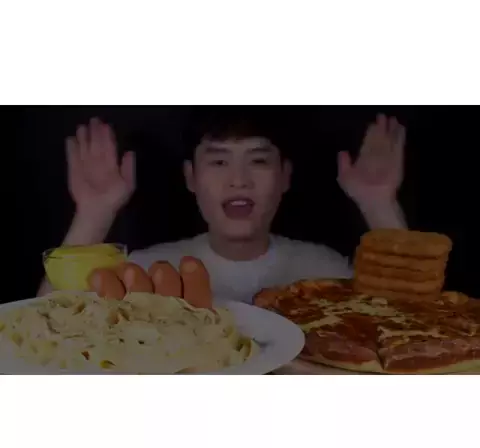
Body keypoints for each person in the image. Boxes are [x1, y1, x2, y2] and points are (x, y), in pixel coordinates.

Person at [38, 109, 407, 303]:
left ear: (285, 176)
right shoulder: (146, 271)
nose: (238, 179)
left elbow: (417, 328)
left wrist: (379, 206)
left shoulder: (325, 270)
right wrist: (94, 212)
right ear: (191, 177)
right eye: (218, 161)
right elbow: (37, 337)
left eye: (258, 160)